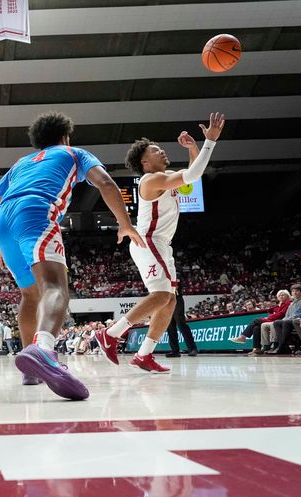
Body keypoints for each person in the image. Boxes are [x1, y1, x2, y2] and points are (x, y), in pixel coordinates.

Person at [0, 111, 144, 399]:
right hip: (35, 212)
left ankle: (30, 369)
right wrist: (126, 224)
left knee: (30, 296)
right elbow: (106, 184)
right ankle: (43, 350)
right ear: (64, 136)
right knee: (55, 288)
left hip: (2, 223)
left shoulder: (20, 164)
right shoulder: (74, 152)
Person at [95, 113, 225, 373]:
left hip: (162, 244)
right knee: (163, 295)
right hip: (148, 241)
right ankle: (111, 333)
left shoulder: (165, 178)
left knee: (170, 301)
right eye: (156, 150)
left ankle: (144, 355)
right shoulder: (151, 180)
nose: (163, 151)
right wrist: (209, 141)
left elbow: (190, 181)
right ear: (145, 162)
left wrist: (193, 148)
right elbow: (192, 174)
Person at [164, 281, 199, 358]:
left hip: (176, 299)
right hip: (167, 302)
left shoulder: (174, 274)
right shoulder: (163, 277)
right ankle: (175, 351)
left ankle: (192, 348)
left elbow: (176, 286)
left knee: (181, 324)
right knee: (170, 327)